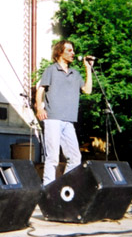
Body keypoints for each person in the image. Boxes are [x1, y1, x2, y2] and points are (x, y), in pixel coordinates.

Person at [35, 40, 93, 186]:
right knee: (53, 156)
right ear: (60, 52)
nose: (72, 53)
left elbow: (87, 90)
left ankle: (64, 186)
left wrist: (88, 69)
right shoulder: (51, 70)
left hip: (69, 120)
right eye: (69, 50)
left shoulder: (75, 73)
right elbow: (40, 89)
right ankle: (48, 187)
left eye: (73, 50)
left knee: (75, 157)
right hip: (53, 118)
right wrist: (39, 108)